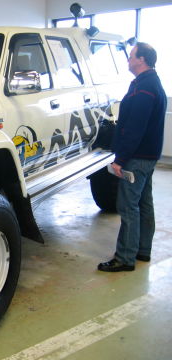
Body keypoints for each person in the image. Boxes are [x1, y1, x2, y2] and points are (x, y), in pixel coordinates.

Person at [98, 42, 167, 272]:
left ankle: (125, 258)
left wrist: (120, 159)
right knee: (144, 203)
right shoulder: (150, 83)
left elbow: (135, 128)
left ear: (142, 59)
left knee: (128, 206)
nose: (128, 59)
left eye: (131, 56)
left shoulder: (145, 88)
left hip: (137, 158)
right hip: (148, 156)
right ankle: (142, 250)